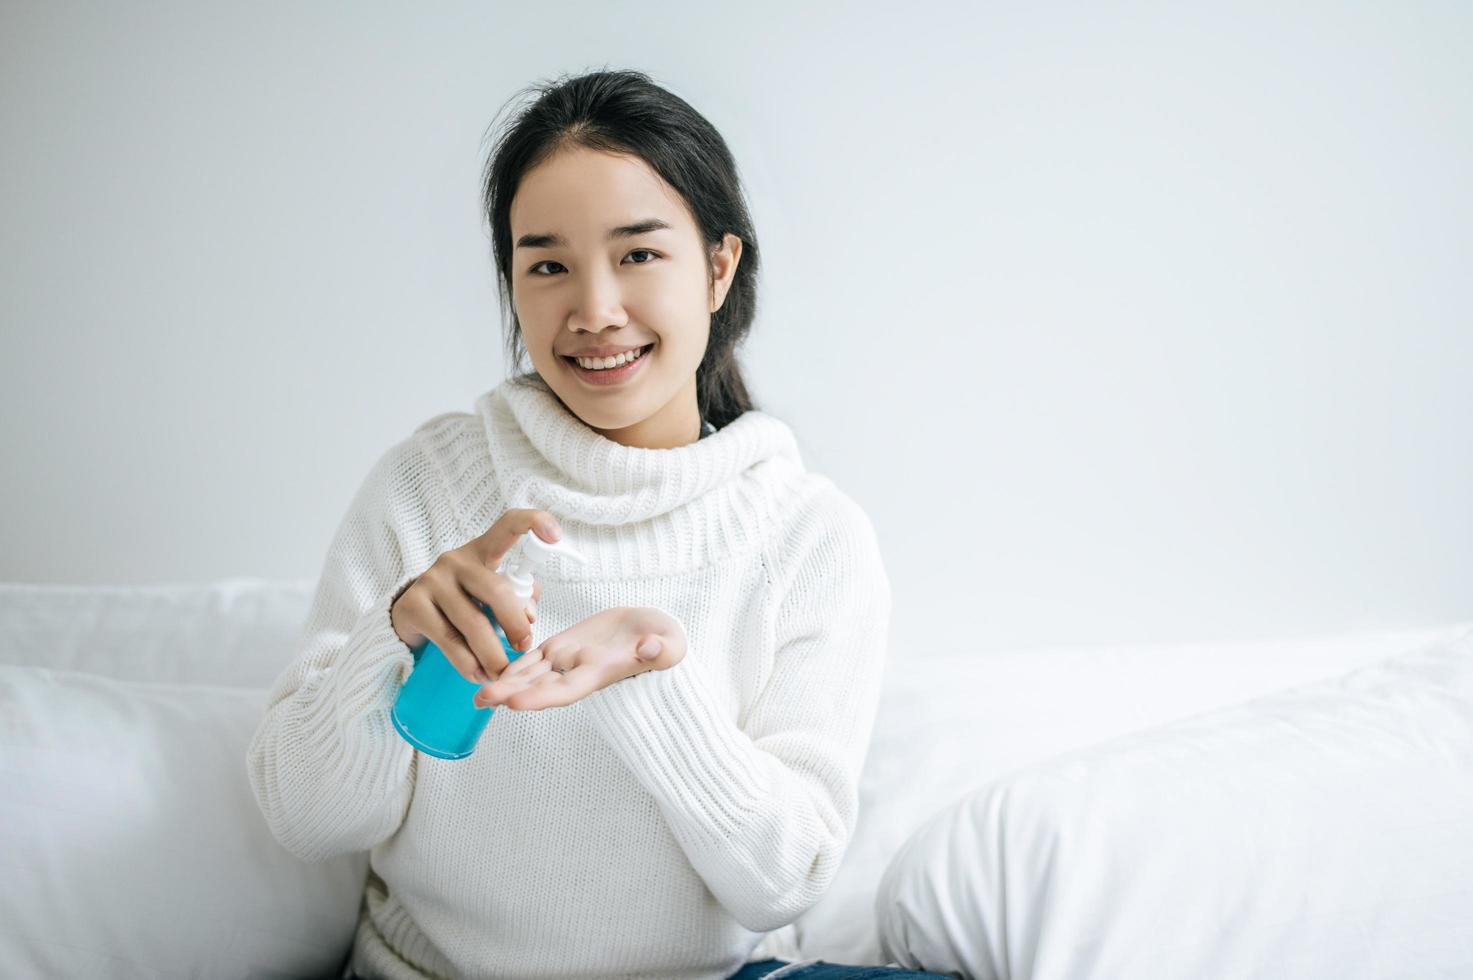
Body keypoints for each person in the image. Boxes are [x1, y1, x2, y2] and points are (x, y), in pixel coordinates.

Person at [247, 68, 949, 980]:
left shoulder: (807, 537)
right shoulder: (429, 490)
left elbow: (786, 880)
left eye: (638, 254)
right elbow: (306, 819)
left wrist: (652, 679)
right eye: (547, 265)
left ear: (718, 268)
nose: (593, 311)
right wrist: (390, 637)